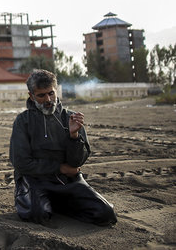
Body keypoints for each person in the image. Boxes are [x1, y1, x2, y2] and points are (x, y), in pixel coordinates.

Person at [9, 69, 117, 226]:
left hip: (68, 181)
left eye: (51, 93)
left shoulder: (70, 118)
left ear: (56, 91)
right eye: (41, 95)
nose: (48, 99)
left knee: (105, 214)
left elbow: (77, 162)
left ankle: (57, 204)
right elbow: (21, 162)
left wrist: (74, 136)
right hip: (35, 180)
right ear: (31, 96)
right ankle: (44, 203)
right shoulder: (23, 121)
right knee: (37, 214)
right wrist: (60, 168)